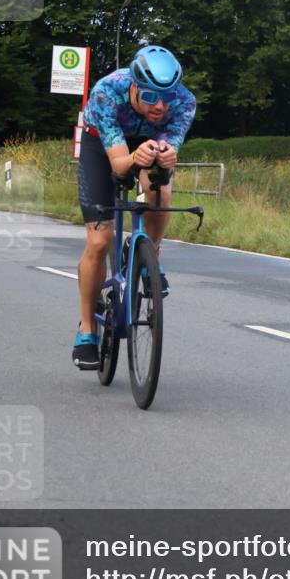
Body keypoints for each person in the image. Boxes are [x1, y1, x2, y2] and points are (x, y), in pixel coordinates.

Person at [72, 45, 196, 369]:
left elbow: (168, 148)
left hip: (148, 144)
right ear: (134, 87)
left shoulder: (184, 101)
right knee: (100, 241)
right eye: (152, 96)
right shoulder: (106, 93)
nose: (160, 105)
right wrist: (133, 158)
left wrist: (168, 156)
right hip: (103, 148)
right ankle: (87, 329)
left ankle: (149, 253)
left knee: (161, 190)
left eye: (166, 97)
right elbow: (118, 165)